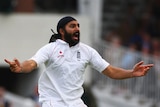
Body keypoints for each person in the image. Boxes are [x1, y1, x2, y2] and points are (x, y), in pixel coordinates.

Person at [4, 16, 154, 107]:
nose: (77, 29)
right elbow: (32, 63)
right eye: (72, 26)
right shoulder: (50, 49)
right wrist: (20, 67)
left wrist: (132, 73)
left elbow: (110, 71)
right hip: (53, 102)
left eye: (78, 26)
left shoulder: (87, 51)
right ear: (61, 31)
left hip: (75, 103)